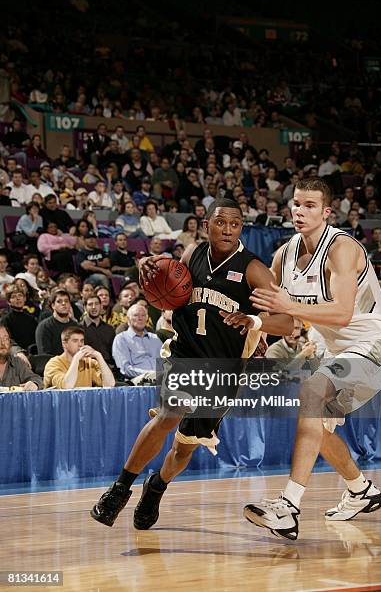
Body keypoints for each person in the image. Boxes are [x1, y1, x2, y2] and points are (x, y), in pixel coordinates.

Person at [91, 198, 293, 528]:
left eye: (234, 224)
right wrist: (149, 274)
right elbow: (165, 286)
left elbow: (286, 323)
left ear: (241, 227)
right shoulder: (191, 255)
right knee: (168, 416)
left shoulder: (253, 269)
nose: (227, 229)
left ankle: (155, 487)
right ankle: (119, 489)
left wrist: (254, 321)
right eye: (220, 222)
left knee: (184, 449)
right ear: (205, 225)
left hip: (223, 371)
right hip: (185, 355)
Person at [243, 177, 381, 540]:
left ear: (327, 211)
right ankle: (361, 490)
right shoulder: (283, 255)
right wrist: (253, 321)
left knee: (313, 391)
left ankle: (288, 507)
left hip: (372, 345)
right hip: (337, 350)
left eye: (310, 205)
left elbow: (344, 312)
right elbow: (283, 320)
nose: (300, 211)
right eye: (296, 204)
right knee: (318, 425)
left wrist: (288, 304)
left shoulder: (342, 248)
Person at [44, 326, 115, 389]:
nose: (80, 345)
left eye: (82, 341)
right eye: (75, 341)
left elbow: (110, 384)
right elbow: (67, 386)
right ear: (64, 344)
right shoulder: (53, 364)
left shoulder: (89, 363)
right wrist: (76, 359)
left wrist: (99, 356)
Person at [112, 303, 162, 381]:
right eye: (136, 315)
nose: (140, 318)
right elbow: (125, 369)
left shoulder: (155, 338)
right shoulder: (121, 339)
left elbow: (165, 363)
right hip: (138, 381)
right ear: (128, 319)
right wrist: (150, 374)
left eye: (143, 315)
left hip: (160, 379)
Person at [0, 326, 43, 392]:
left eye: (5, 338)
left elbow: (36, 379)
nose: (2, 343)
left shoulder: (17, 362)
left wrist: (34, 384)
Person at [35, 289, 78, 355]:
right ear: (53, 306)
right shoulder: (44, 327)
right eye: (59, 301)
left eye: (66, 301)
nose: (63, 303)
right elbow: (44, 355)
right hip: (53, 364)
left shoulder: (76, 326)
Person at [81, 295, 116, 367]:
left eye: (96, 304)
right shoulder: (79, 329)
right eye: (90, 304)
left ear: (101, 306)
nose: (94, 307)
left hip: (109, 367)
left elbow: (114, 354)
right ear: (85, 308)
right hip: (89, 368)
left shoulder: (109, 329)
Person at [1, 286, 38, 351]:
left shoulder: (31, 319)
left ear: (25, 298)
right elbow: (7, 340)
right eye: (13, 297)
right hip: (15, 353)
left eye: (20, 295)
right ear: (8, 302)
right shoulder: (5, 320)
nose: (18, 298)